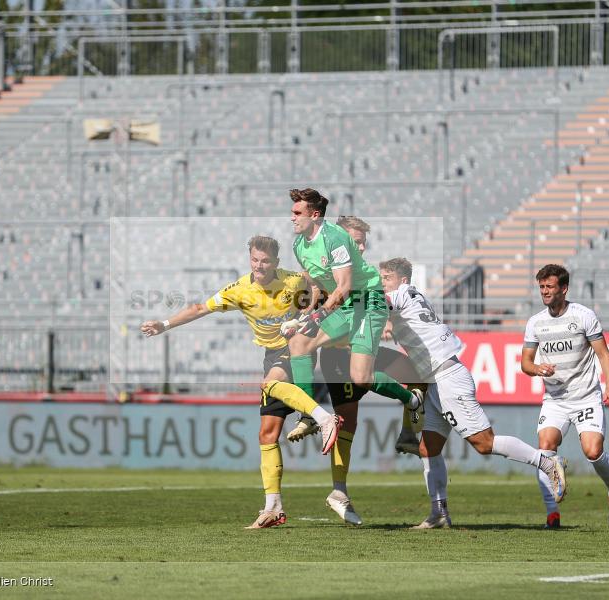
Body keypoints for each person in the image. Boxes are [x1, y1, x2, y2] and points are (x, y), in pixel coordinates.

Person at [140, 235, 341, 529]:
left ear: (276, 262)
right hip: (272, 355)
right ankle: (273, 507)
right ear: (250, 259)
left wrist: (305, 315)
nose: (260, 266)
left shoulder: (292, 280)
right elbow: (199, 308)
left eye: (266, 261)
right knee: (267, 434)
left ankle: (323, 418)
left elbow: (319, 285)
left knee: (268, 384)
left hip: (297, 349)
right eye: (255, 260)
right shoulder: (240, 290)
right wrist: (165, 325)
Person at [264, 190, 425, 525]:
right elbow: (318, 289)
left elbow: (343, 288)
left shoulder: (334, 238)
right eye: (292, 212)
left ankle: (411, 399)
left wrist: (312, 319)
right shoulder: (299, 245)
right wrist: (302, 314)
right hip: (346, 306)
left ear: (315, 215)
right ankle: (310, 415)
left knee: (361, 378)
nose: (292, 217)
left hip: (367, 303)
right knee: (300, 345)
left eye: (297, 212)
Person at [379, 258, 567, 529]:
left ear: (403, 280)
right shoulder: (408, 298)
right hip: (435, 381)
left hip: (448, 379)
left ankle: (546, 462)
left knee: (484, 443)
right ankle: (439, 513)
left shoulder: (402, 295)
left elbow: (379, 303)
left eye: (386, 277)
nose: (382, 282)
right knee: (428, 448)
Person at [521, 264, 609, 529]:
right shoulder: (535, 322)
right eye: (541, 287)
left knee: (593, 451)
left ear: (564, 288)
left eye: (550, 286)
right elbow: (525, 363)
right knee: (545, 447)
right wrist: (537, 369)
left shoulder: (583, 316)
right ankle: (552, 513)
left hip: (587, 397)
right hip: (555, 399)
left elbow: (604, 355)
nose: (544, 292)